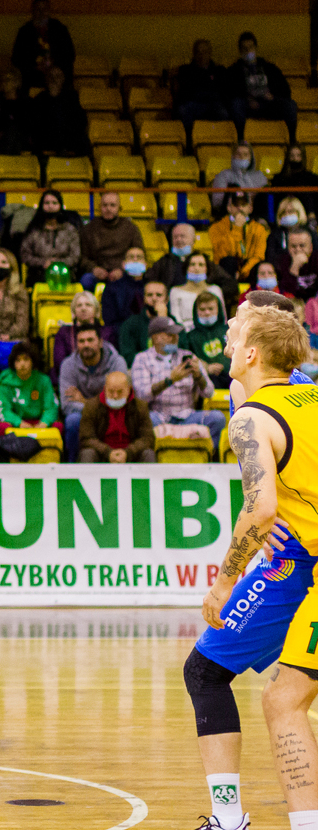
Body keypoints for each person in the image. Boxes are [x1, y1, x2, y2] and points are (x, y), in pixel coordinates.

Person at [185, 293, 315, 830]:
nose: (228, 334)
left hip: (301, 559)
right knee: (285, 697)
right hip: (300, 552)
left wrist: (222, 582)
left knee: (275, 697)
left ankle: (229, 817)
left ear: (254, 351)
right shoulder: (309, 394)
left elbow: (258, 508)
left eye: (237, 328)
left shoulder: (252, 414)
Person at [131, 315, 223, 437]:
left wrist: (199, 377)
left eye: (176, 334)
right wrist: (169, 380)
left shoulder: (188, 356)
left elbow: (209, 393)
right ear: (155, 337)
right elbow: (142, 395)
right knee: (144, 421)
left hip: (188, 416)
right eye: (170, 334)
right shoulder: (142, 359)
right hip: (159, 416)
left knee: (218, 418)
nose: (176, 337)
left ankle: (208, 450)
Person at [57, 323, 129, 461]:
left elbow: (119, 401)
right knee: (72, 420)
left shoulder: (116, 362)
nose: (86, 345)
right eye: (81, 341)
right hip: (83, 416)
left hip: (113, 415)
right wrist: (101, 403)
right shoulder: (68, 365)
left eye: (90, 340)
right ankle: (72, 465)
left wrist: (85, 401)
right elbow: (67, 405)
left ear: (100, 342)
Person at [226, 30, 297, 140]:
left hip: (269, 104)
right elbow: (229, 92)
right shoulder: (234, 71)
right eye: (244, 48)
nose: (248, 51)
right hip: (248, 107)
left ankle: (293, 140)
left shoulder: (270, 68)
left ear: (256, 48)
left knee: (291, 104)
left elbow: (285, 90)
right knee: (236, 104)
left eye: (250, 47)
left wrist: (272, 97)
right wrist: (248, 99)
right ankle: (240, 140)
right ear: (240, 51)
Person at [151, 222, 240, 310]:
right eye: (175, 237)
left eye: (182, 236)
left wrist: (207, 295)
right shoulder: (163, 263)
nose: (178, 240)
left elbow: (230, 284)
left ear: (193, 240)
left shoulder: (204, 262)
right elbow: (150, 283)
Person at [77, 371, 155, 463]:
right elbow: (86, 439)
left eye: (120, 392)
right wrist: (108, 453)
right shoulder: (91, 406)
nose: (115, 396)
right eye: (111, 391)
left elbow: (147, 438)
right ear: (105, 389)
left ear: (129, 389)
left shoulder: (140, 407)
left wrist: (128, 453)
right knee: (88, 453)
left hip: (131, 454)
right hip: (101, 454)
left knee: (148, 453)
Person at [78, 191, 144, 289]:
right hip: (96, 273)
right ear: (99, 207)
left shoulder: (131, 229)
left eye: (112, 205)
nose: (108, 209)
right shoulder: (89, 229)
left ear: (119, 208)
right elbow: (82, 257)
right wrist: (94, 269)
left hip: (123, 273)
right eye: (105, 205)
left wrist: (122, 270)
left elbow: (139, 255)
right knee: (86, 280)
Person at [0, 342, 60, 435]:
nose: (22, 364)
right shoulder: (6, 382)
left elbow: (51, 407)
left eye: (26, 359)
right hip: (17, 423)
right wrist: (19, 423)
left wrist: (44, 423)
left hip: (39, 422)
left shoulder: (44, 380)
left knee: (58, 426)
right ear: (13, 363)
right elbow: (4, 410)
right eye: (18, 360)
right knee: (2, 427)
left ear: (33, 361)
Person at [11, 0, 75, 87]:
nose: (41, 13)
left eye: (45, 9)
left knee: (62, 73)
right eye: (38, 9)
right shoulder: (25, 31)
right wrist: (35, 66)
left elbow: (69, 54)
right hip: (32, 73)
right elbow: (17, 58)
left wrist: (54, 63)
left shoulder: (59, 29)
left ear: (49, 11)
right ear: (32, 11)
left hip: (57, 71)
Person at [19, 189, 81, 285]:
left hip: (65, 274)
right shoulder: (33, 229)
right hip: (38, 274)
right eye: (47, 203)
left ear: (60, 206)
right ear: (42, 206)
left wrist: (57, 263)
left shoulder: (70, 230)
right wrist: (43, 263)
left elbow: (75, 256)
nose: (50, 206)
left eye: (54, 203)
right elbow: (25, 254)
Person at [29, 66, 90, 157]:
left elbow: (80, 121)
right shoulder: (39, 98)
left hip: (67, 139)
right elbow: (35, 124)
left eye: (57, 76)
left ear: (63, 79)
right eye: (51, 76)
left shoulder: (71, 97)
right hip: (46, 139)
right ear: (46, 79)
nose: (53, 79)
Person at [175, 39, 230, 138]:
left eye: (204, 52)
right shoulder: (185, 71)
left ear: (210, 53)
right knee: (184, 110)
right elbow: (186, 92)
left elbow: (221, 92)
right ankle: (189, 141)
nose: (201, 56)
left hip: (213, 104)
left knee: (223, 112)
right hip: (193, 104)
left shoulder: (219, 71)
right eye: (198, 52)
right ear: (194, 54)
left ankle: (220, 139)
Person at [210, 191, 268, 279]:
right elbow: (223, 254)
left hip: (249, 270)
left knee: (259, 265)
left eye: (243, 205)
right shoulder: (216, 228)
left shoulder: (259, 229)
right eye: (236, 205)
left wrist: (243, 272)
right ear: (229, 208)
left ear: (250, 208)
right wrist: (236, 228)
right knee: (228, 261)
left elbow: (259, 256)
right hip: (227, 269)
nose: (240, 208)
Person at [182, 291, 232, 387]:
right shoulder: (189, 337)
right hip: (203, 383)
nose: (207, 313)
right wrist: (205, 367)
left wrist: (225, 366)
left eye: (210, 309)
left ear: (218, 310)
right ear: (196, 311)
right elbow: (186, 358)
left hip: (231, 380)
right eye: (202, 309)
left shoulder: (230, 331)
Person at [50, 291, 107, 372]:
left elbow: (109, 360)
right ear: (74, 311)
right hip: (70, 375)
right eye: (79, 305)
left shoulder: (106, 332)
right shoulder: (64, 332)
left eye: (88, 305)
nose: (83, 308)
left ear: (96, 310)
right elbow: (59, 362)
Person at [171, 253, 228, 329]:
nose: (196, 268)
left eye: (201, 265)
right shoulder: (175, 292)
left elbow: (223, 318)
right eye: (192, 264)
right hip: (186, 332)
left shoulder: (215, 290)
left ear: (206, 269)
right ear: (186, 268)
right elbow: (176, 321)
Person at [211, 143, 269, 214]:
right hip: (231, 212)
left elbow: (263, 199)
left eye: (245, 155)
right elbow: (217, 202)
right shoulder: (223, 175)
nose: (242, 157)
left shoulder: (260, 176)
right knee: (233, 187)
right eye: (238, 154)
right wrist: (243, 197)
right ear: (233, 157)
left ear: (251, 158)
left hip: (255, 213)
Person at [102, 244, 149, 331]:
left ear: (146, 264)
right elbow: (109, 320)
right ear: (123, 264)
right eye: (131, 257)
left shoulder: (151, 287)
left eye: (139, 257)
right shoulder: (112, 288)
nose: (135, 260)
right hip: (120, 331)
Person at [119, 279, 168, 361]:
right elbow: (128, 356)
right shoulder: (131, 324)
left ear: (166, 300)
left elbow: (178, 352)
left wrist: (163, 320)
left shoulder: (174, 324)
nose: (154, 298)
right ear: (144, 299)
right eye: (149, 295)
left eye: (159, 295)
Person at [272, 148, 318, 218]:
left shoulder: (311, 178)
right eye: (292, 156)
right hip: (282, 213)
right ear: (288, 157)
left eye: (298, 155)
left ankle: (311, 219)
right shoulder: (278, 179)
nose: (295, 159)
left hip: (306, 214)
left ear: (303, 158)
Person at [268, 194, 313, 262]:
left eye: (291, 211)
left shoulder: (311, 233)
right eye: (283, 212)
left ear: (299, 212)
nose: (287, 215)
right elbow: (270, 257)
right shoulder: (274, 235)